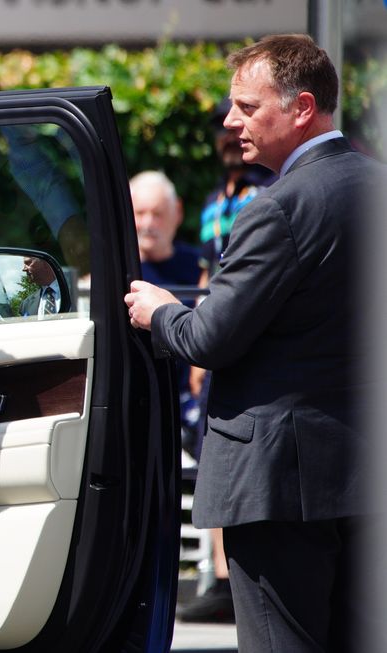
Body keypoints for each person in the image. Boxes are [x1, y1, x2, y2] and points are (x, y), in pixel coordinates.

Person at [124, 34, 384, 652]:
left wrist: (161, 311)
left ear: (300, 108)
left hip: (278, 487)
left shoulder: (280, 207)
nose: (230, 120)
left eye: (246, 106)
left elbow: (211, 336)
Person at [176, 100, 275, 625]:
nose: (228, 142)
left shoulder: (267, 193)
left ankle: (230, 577)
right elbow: (207, 271)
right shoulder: (217, 199)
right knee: (211, 449)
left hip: (241, 325)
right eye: (220, 133)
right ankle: (219, 575)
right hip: (215, 327)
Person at [129, 170, 202, 443]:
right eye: (140, 213)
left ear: (178, 212)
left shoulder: (200, 268)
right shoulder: (112, 274)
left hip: (192, 403)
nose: (149, 223)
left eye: (158, 214)